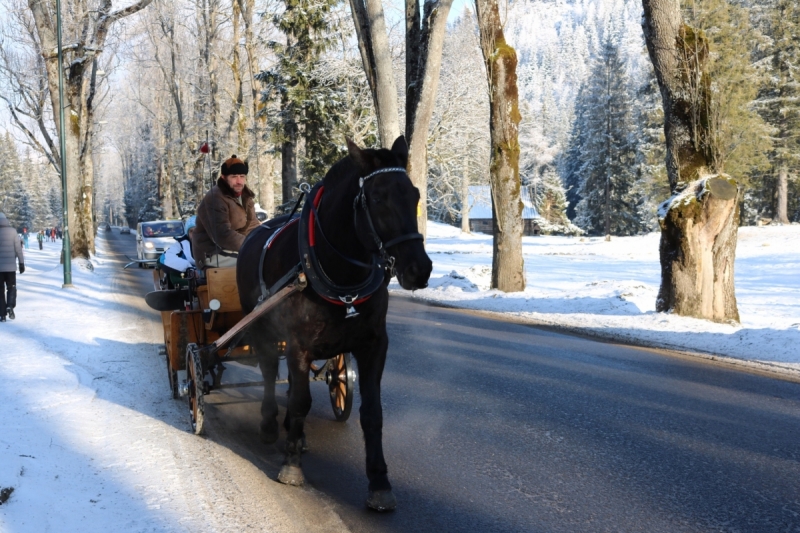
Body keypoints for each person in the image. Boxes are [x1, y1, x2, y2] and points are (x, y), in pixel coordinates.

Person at [192, 155, 260, 269]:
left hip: (238, 248)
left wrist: (264, 239)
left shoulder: (245, 196)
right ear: (224, 177)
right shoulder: (215, 198)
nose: (239, 181)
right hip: (213, 252)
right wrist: (251, 245)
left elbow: (253, 225)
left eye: (242, 176)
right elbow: (221, 235)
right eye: (234, 177)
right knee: (256, 262)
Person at [0, 213, 24, 322]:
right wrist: (21, 263)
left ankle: (2, 314)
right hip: (10, 268)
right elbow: (18, 249)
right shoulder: (13, 232)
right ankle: (10, 305)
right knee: (11, 287)